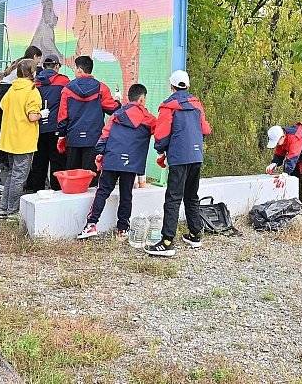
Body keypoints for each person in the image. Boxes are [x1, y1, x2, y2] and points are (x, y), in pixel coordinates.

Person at [145, 70, 212, 257]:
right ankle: (195, 234)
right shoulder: (197, 105)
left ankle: (166, 242)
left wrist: (161, 151)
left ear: (172, 86)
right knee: (192, 196)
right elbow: (205, 129)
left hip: (179, 157)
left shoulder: (169, 106)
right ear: (187, 86)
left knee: (173, 198)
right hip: (197, 155)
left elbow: (161, 135)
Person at [77, 83, 156, 239]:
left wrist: (100, 154)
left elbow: (103, 138)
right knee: (126, 195)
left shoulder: (116, 115)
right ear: (141, 99)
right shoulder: (148, 118)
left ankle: (91, 225)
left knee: (102, 192)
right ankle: (122, 229)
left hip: (112, 159)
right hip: (131, 163)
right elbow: (160, 133)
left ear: (129, 98)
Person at [56, 55, 120, 183]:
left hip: (73, 138)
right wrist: (118, 101)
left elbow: (62, 116)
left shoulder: (67, 89)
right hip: (93, 138)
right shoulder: (101, 88)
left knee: (72, 176)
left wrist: (61, 135)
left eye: (75, 68)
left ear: (79, 70)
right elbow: (112, 109)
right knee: (91, 177)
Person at [0, 59, 43, 218]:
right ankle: (12, 210)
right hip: (24, 141)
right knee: (19, 176)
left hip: (8, 139)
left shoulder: (12, 89)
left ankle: (4, 207)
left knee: (10, 174)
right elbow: (32, 116)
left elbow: (2, 106)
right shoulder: (32, 91)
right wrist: (42, 114)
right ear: (33, 72)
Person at [25, 54, 69, 193]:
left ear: (43, 66)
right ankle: (56, 191)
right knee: (57, 162)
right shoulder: (64, 81)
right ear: (57, 66)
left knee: (39, 161)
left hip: (37, 126)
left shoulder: (34, 82)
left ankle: (37, 191)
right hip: (56, 127)